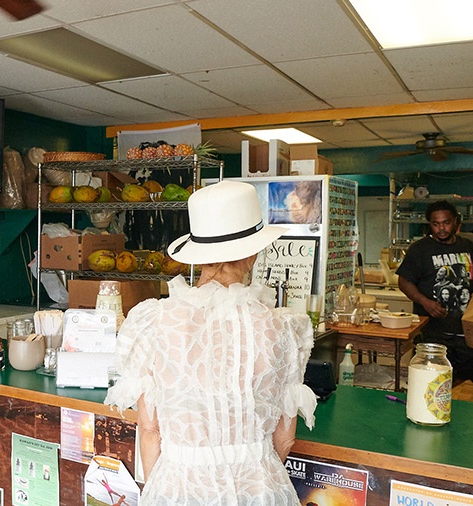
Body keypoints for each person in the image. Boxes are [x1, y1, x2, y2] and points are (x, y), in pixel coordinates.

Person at [104, 180, 317, 505]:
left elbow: (149, 429)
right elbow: (284, 438)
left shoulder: (154, 321)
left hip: (178, 489)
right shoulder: (282, 327)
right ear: (254, 253)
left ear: (198, 254)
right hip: (258, 489)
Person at [397, 200, 473, 383]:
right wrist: (425, 302)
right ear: (430, 224)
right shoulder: (420, 250)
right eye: (435, 224)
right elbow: (404, 281)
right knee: (432, 378)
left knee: (464, 375)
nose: (441, 228)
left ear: (456, 222)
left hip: (466, 329)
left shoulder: (468, 246)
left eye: (446, 222)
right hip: (433, 330)